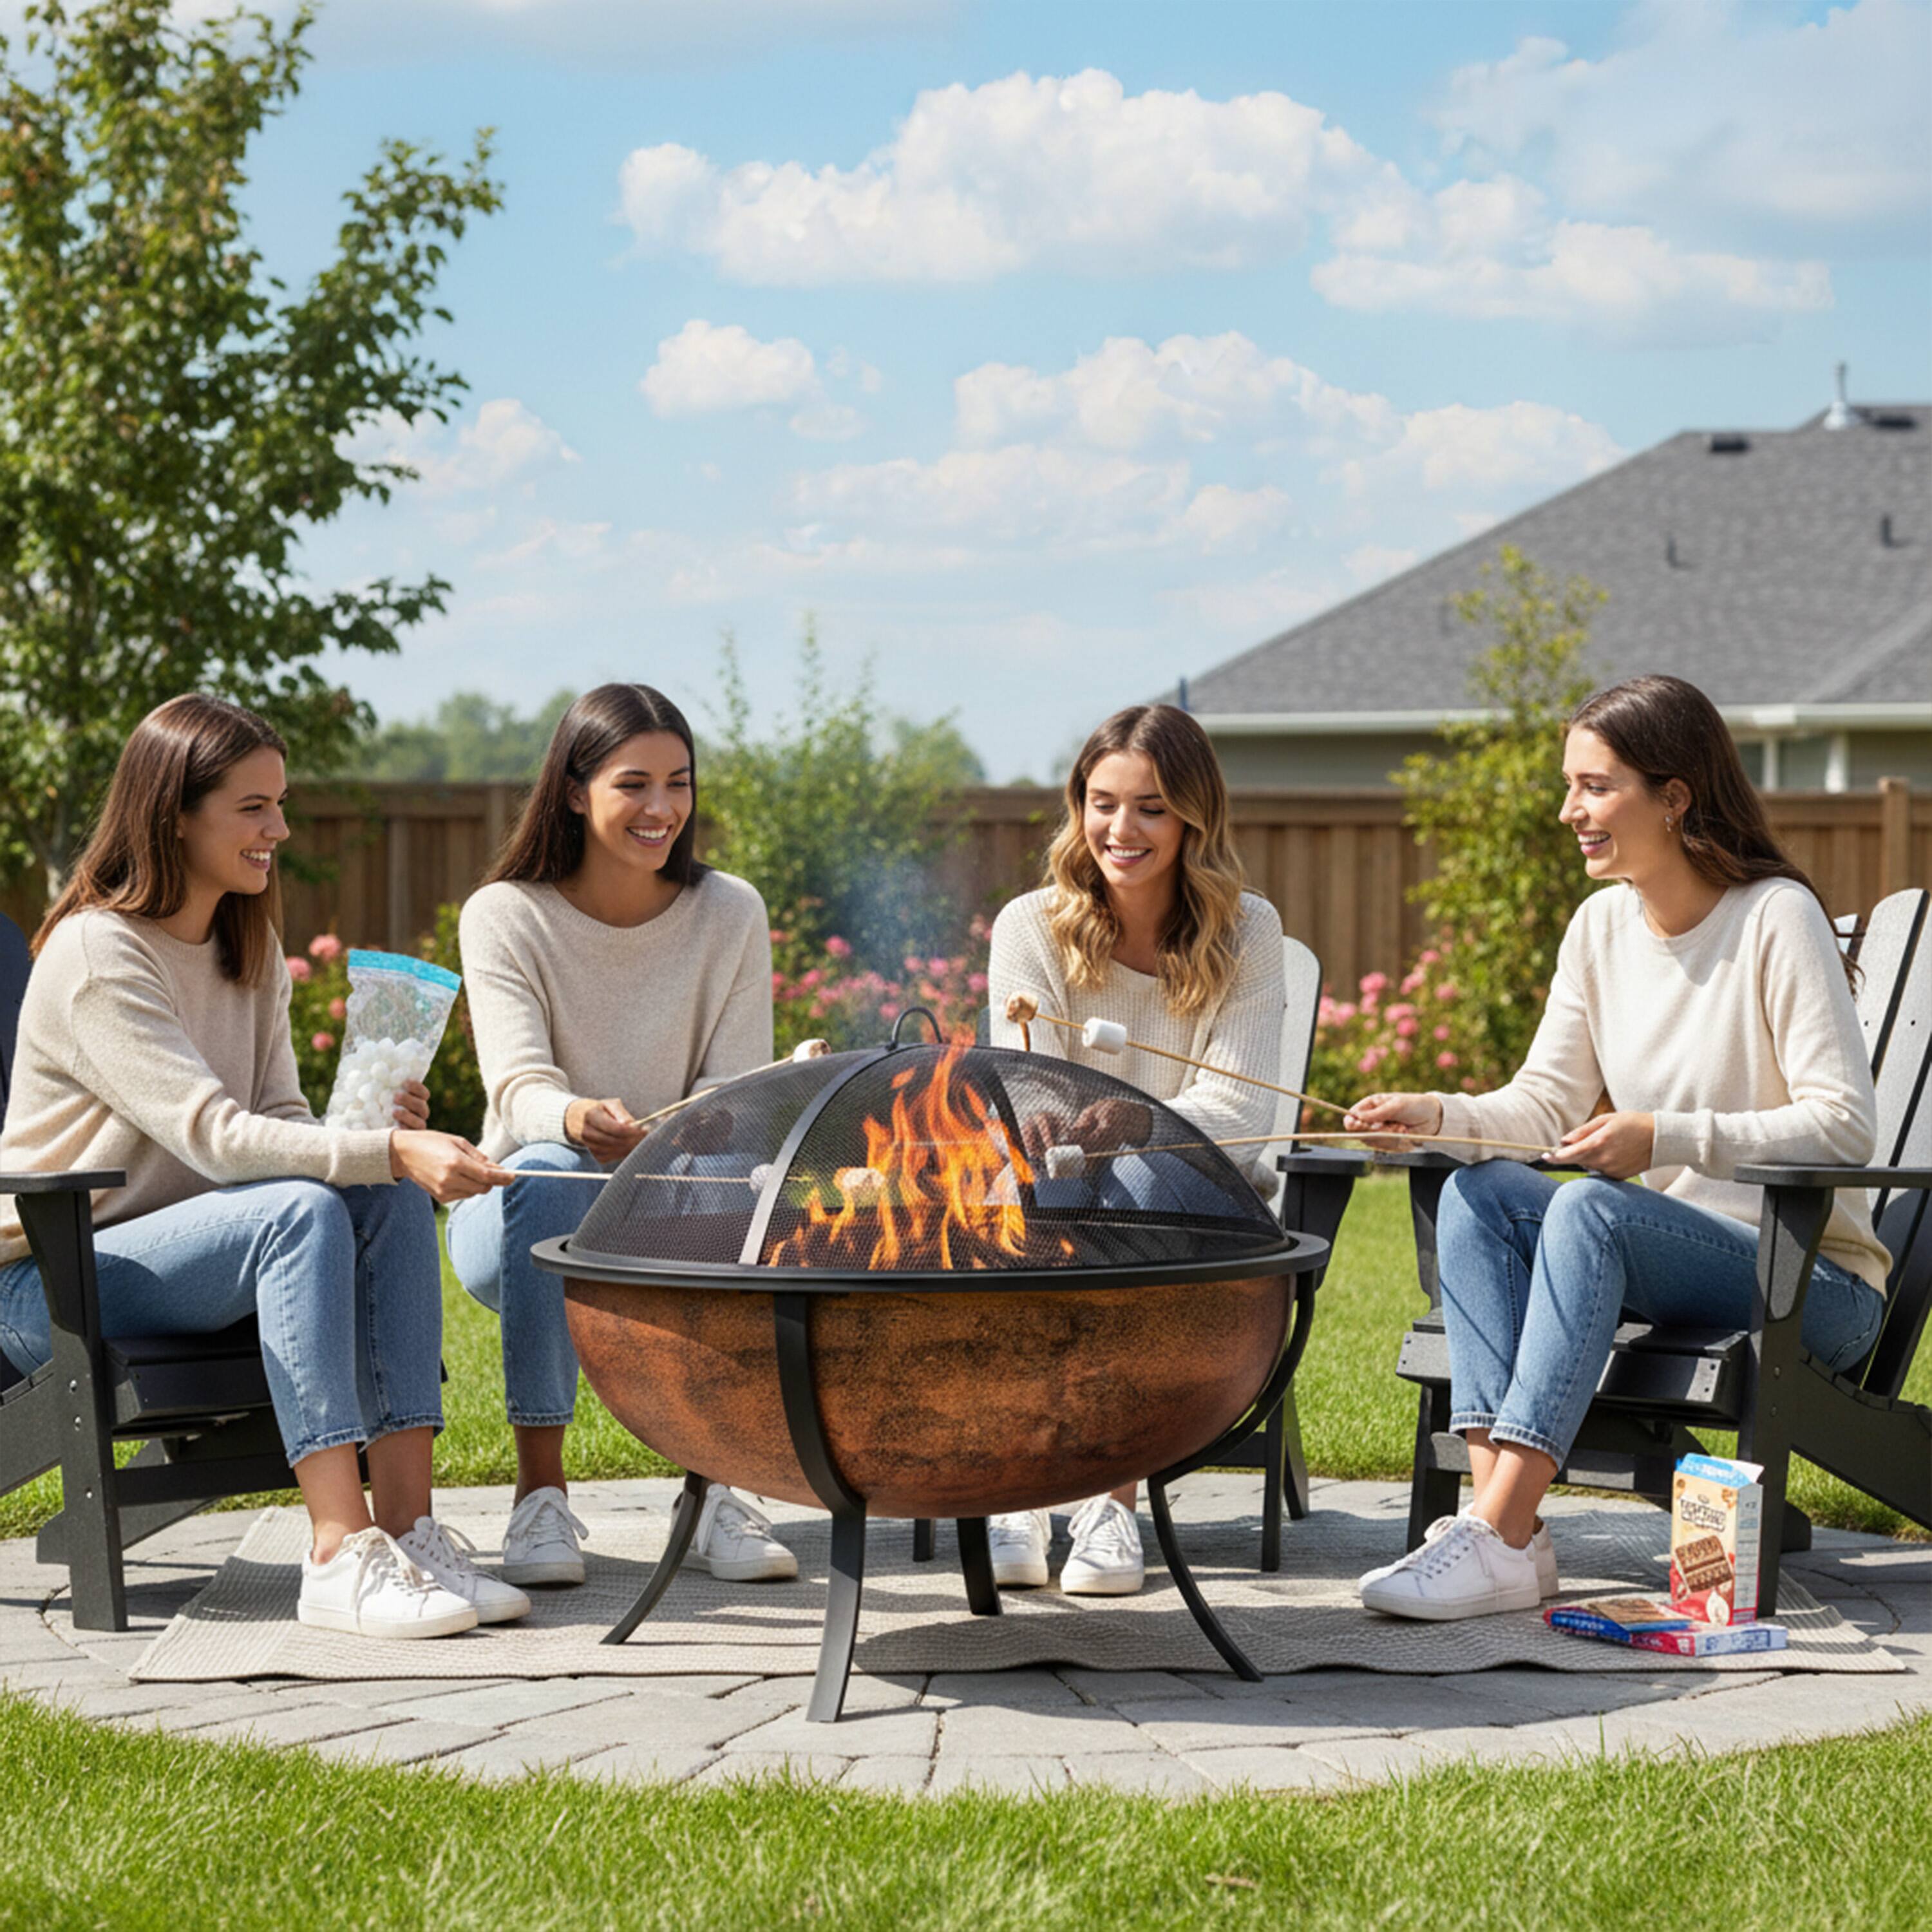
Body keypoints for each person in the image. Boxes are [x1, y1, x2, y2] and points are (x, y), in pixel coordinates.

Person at [1347, 674, 1890, 1621]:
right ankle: (1504, 1528)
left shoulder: (1774, 918)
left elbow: (1843, 1121)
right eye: (1571, 787)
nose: (1570, 811)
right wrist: (1435, 1113)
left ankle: (1499, 1535)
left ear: (1674, 796)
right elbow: (1542, 1103)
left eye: (1594, 787)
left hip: (1810, 1285)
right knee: (1479, 1193)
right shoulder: (1599, 928)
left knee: (1588, 1207)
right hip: (1678, 1259)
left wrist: (1664, 1136)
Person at [0, 696, 526, 1641]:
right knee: (306, 1211)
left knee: (388, 1201)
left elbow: (279, 1123)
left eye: (279, 804)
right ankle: (336, 1549)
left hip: (198, 1254)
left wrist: (381, 1142)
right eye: (253, 807)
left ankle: (409, 1534)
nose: (279, 829)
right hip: (59, 1278)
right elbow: (215, 1136)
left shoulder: (249, 943)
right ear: (174, 814)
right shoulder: (97, 954)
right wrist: (380, 1149)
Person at [449, 683, 795, 1587]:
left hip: (675, 1190)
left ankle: (721, 1486)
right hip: (527, 1206)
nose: (662, 809)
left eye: (678, 784)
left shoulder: (731, 912)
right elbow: (519, 1087)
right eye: (633, 784)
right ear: (573, 790)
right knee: (551, 1160)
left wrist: (675, 1133)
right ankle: (541, 1499)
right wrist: (573, 1117)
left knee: (739, 1165)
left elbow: (736, 1087)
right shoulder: (506, 914)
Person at [985, 703, 1287, 1594]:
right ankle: (1015, 1492)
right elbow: (1028, 1081)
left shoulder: (1247, 931)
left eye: (1152, 807)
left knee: (1141, 1179)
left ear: (1195, 817)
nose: (1122, 829)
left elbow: (1240, 1111)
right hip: (1071, 1194)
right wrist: (1039, 1127)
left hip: (1204, 1200)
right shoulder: (1031, 926)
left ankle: (1112, 1501)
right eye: (1103, 803)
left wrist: (1141, 1122)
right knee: (1033, 1192)